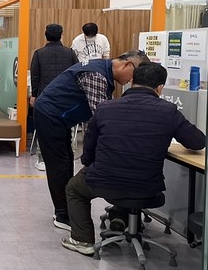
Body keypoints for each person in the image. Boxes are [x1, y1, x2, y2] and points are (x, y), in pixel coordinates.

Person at [61, 63, 206, 255]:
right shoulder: (168, 111)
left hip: (105, 182)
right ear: (160, 88)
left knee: (74, 188)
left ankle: (82, 240)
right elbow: (197, 141)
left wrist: (91, 167)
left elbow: (89, 148)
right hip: (147, 187)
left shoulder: (105, 108)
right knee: (129, 177)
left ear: (131, 82)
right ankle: (120, 217)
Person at [33, 50, 150, 231]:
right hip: (50, 115)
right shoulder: (97, 75)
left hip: (60, 117)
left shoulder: (102, 70)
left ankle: (66, 209)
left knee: (66, 160)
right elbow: (100, 117)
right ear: (127, 64)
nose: (131, 81)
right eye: (134, 75)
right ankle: (62, 214)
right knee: (59, 165)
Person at [30, 24, 79, 170]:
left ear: (46, 35)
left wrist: (34, 95)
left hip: (45, 97)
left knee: (43, 128)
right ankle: (68, 157)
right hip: (66, 97)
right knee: (67, 127)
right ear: (61, 35)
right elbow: (77, 74)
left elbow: (35, 76)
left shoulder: (39, 54)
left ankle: (42, 159)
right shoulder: (70, 53)